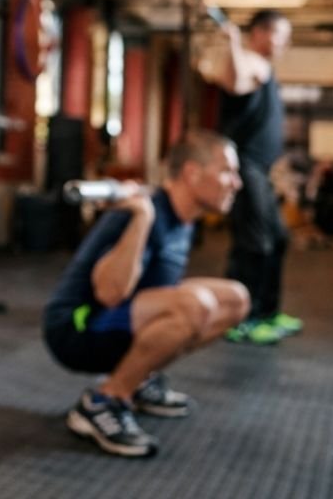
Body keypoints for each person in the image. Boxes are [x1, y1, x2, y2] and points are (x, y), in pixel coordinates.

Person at [42, 132, 248, 459]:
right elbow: (109, 294)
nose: (236, 183)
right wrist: (141, 219)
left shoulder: (185, 216)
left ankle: (137, 379)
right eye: (227, 172)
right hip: (76, 328)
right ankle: (103, 402)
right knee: (196, 306)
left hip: (117, 321)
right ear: (192, 173)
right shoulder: (142, 211)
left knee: (235, 299)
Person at [207, 9, 301, 346]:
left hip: (261, 169)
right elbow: (236, 82)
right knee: (254, 244)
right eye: (280, 35)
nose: (284, 43)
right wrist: (232, 44)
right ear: (259, 33)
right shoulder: (246, 61)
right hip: (242, 167)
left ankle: (267, 312)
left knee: (277, 239)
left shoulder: (264, 68)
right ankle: (240, 318)